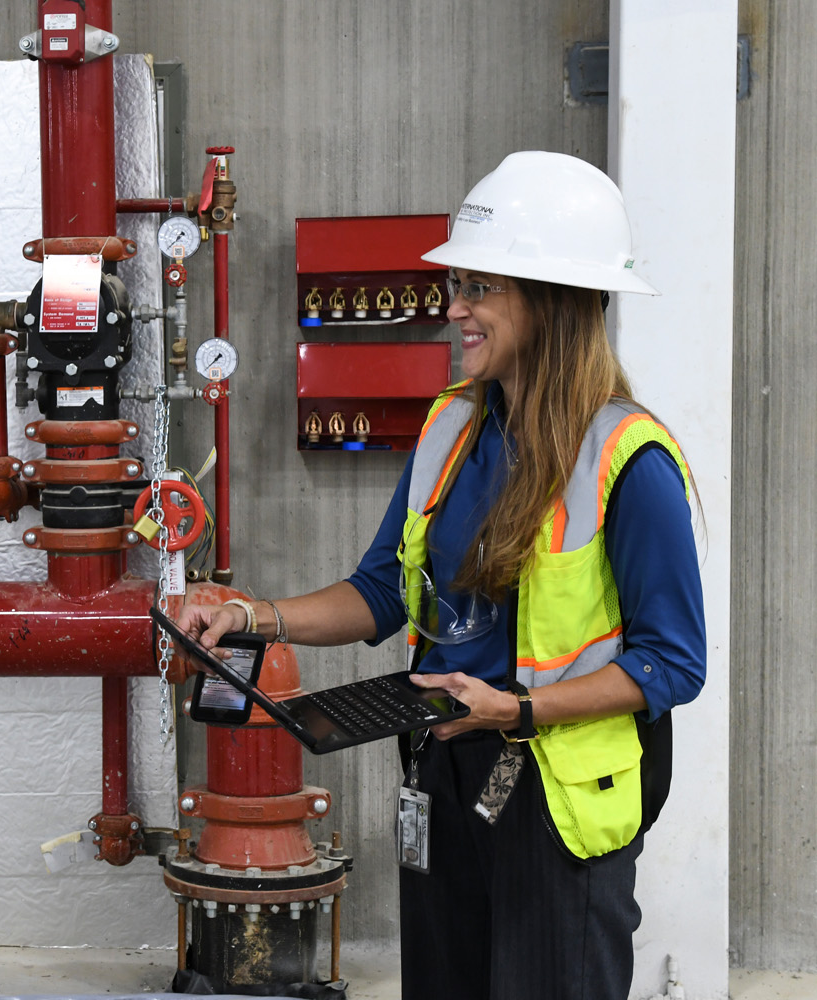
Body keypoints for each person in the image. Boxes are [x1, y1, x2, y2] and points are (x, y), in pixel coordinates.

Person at [177, 151, 705, 1000]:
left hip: (554, 795)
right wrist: (248, 615)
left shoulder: (627, 459)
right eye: (457, 284)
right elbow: (381, 593)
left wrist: (519, 708)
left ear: (553, 298)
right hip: (444, 770)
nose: (453, 307)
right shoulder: (452, 426)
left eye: (479, 288)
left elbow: (672, 664)